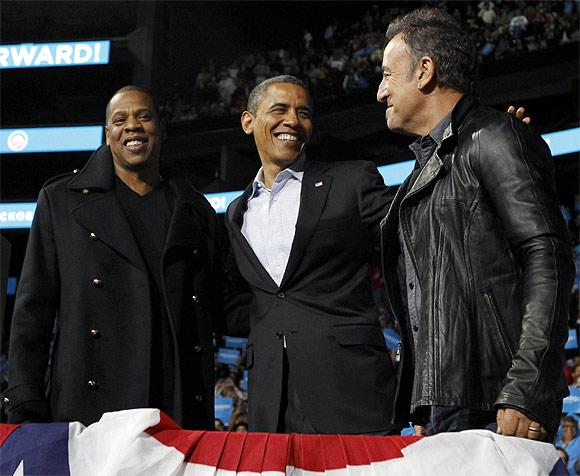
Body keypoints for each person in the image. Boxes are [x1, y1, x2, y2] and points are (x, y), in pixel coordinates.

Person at [377, 8, 574, 440]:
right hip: (449, 401)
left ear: (425, 71)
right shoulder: (425, 169)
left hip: (496, 399)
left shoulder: (494, 135)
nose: (380, 91)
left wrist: (526, 386)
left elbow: (548, 256)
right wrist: (424, 396)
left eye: (389, 74)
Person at [2, 86, 222, 428]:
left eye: (144, 116)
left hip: (175, 406)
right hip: (89, 404)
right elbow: (33, 310)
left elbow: (216, 306)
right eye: (120, 120)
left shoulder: (197, 210)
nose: (132, 125)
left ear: (161, 129)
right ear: (108, 135)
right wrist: (25, 396)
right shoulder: (61, 201)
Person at [224, 75, 398, 434]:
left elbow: (418, 219)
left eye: (303, 112)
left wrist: (480, 160)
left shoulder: (352, 181)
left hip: (351, 389)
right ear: (248, 122)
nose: (293, 120)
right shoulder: (237, 212)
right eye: (279, 109)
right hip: (270, 400)